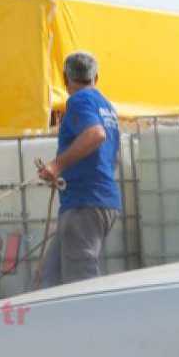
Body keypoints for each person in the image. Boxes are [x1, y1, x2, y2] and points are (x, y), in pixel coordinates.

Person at [37, 51, 121, 288]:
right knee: (50, 278)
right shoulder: (107, 107)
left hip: (84, 203)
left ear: (65, 78)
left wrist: (57, 165)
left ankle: (91, 324)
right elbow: (112, 156)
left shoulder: (80, 100)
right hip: (95, 200)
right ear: (97, 77)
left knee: (80, 283)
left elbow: (96, 135)